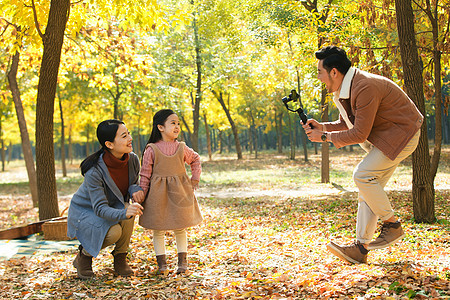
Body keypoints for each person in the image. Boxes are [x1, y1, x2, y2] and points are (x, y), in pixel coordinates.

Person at [302, 46, 423, 264]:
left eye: (320, 72)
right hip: (388, 137)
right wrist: (323, 126)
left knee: (363, 176)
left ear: (334, 72)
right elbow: (347, 122)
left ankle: (392, 225)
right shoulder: (347, 87)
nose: (319, 77)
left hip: (403, 134)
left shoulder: (364, 86)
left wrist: (324, 137)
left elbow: (359, 133)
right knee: (367, 187)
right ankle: (361, 249)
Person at [67, 119, 145, 279]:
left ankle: (120, 258)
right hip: (87, 212)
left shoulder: (133, 159)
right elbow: (100, 208)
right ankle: (84, 257)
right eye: (124, 136)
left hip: (113, 206)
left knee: (129, 212)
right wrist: (124, 213)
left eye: (128, 133)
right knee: (115, 231)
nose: (130, 138)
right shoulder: (94, 171)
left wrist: (135, 190)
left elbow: (132, 183)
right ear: (109, 144)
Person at [136, 109, 203, 274]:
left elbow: (195, 159)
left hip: (179, 194)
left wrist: (195, 178)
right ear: (160, 127)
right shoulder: (151, 149)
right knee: (158, 229)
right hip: (157, 196)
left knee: (180, 227)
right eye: (172, 123)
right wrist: (142, 194)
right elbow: (145, 175)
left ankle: (182, 264)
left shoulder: (181, 147)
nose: (177, 126)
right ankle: (162, 265)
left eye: (178, 123)